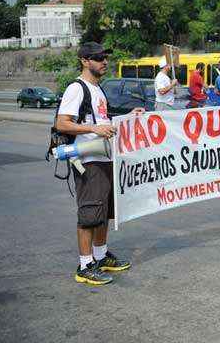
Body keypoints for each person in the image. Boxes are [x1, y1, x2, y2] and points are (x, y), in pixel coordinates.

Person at [56, 42, 143, 285]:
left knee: (104, 211)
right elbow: (62, 123)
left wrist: (127, 117)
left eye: (105, 57)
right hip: (88, 159)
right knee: (90, 212)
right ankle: (85, 265)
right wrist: (93, 128)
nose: (104, 62)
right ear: (85, 60)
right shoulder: (77, 88)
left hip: (105, 156)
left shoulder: (98, 89)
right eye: (98, 58)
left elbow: (103, 120)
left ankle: (101, 255)